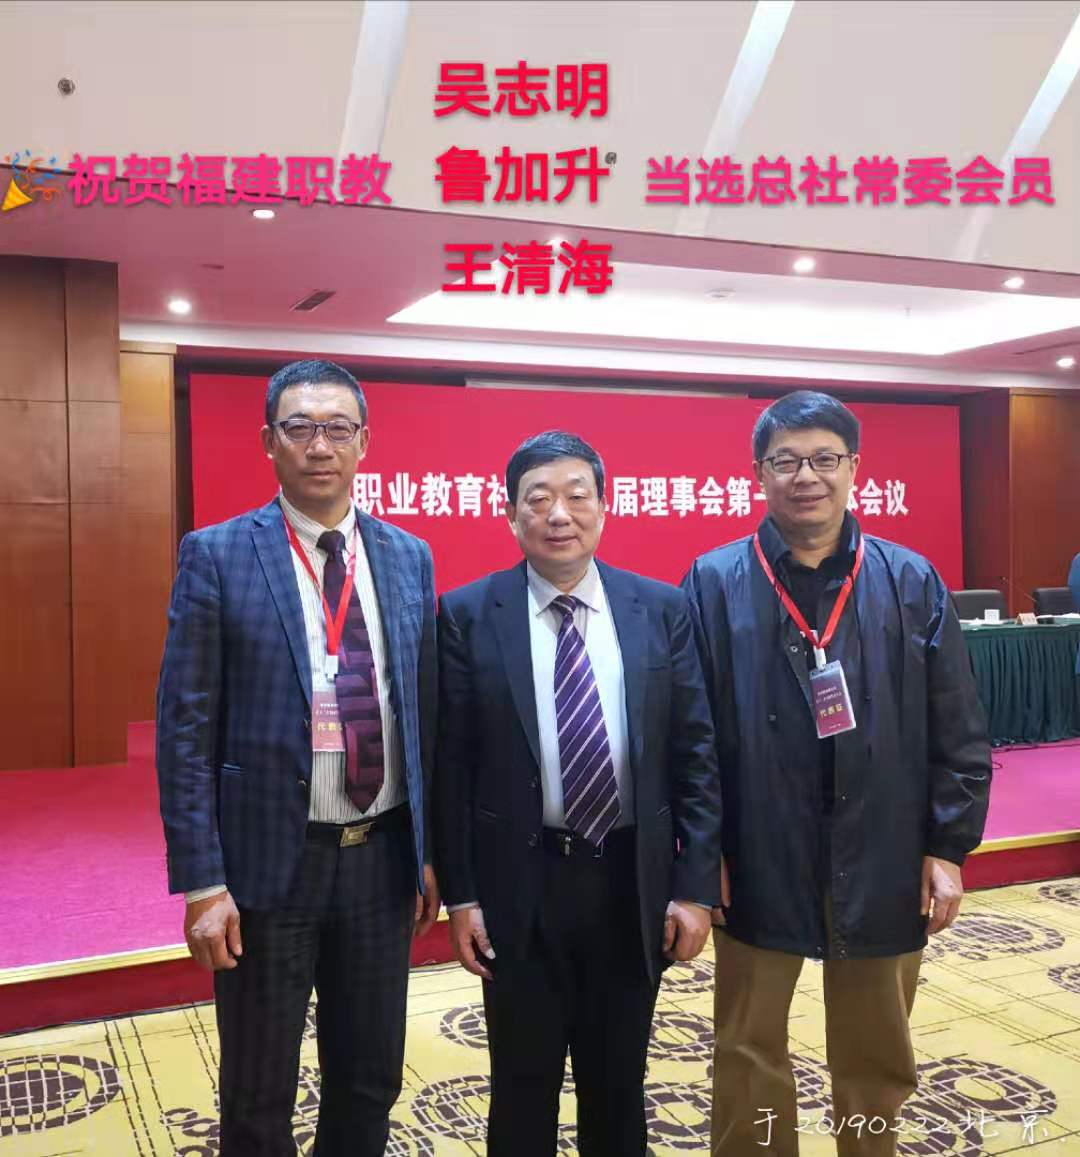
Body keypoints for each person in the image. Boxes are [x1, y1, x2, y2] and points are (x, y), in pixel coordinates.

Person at [682, 390, 992, 1157]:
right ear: (758, 472)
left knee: (875, 1051)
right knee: (747, 1047)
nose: (806, 476)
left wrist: (947, 845)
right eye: (785, 460)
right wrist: (701, 853)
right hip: (756, 851)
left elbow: (958, 724)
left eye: (824, 458)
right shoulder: (713, 580)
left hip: (885, 848)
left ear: (855, 467)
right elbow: (689, 735)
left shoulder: (910, 579)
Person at [156, 359, 439, 1156]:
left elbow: (423, 711)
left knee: (369, 1078)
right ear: (268, 441)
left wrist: (429, 851)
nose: (320, 445)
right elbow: (184, 728)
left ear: (364, 442)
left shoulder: (408, 556)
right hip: (267, 864)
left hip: (381, 858)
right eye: (300, 427)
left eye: (338, 428)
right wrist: (203, 882)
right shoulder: (218, 554)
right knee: (257, 1090)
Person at [434, 430, 723, 1156]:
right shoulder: (468, 614)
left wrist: (694, 889)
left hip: (629, 881)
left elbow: (696, 755)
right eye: (538, 499)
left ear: (604, 506)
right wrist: (462, 897)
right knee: (521, 1086)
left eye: (576, 496)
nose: (558, 514)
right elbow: (452, 769)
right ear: (510, 515)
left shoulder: (660, 608)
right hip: (518, 885)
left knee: (619, 1084)